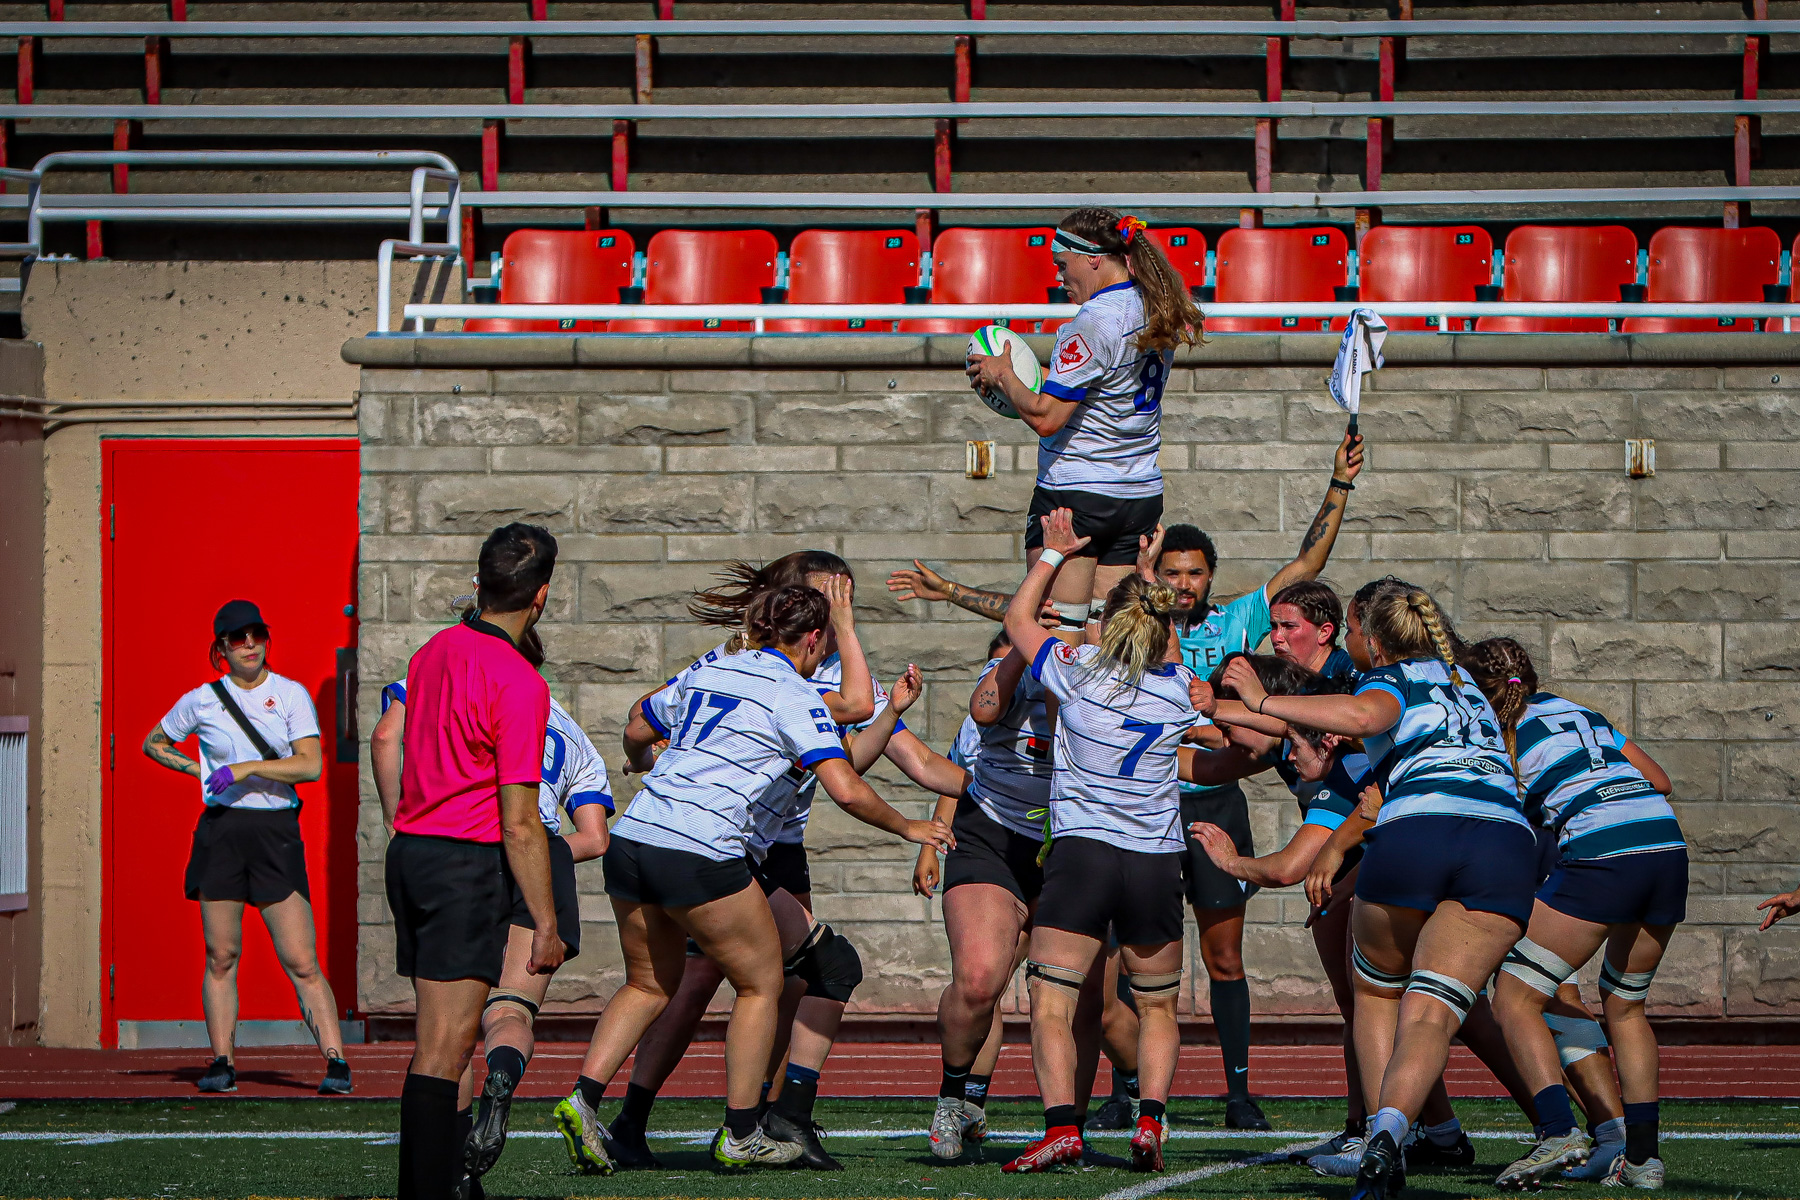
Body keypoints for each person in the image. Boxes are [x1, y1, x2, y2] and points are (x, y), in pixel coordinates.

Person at [886, 429, 1363, 1128]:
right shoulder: (1157, 669)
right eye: (1170, 575)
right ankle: (1129, 1101)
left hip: (1166, 815)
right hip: (1147, 817)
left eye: (1195, 573)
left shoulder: (1184, 638)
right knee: (1117, 984)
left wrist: (1338, 487)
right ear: (1155, 585)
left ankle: (1213, 1097)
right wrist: (1253, 728)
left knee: (1200, 963)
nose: (1184, 585)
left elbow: (1031, 619)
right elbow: (1036, 640)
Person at [559, 583, 954, 1172]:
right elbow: (845, 786)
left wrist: (644, 762)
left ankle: (583, 1101)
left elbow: (641, 722)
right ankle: (742, 1130)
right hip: (703, 847)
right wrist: (908, 827)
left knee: (649, 984)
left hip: (635, 835)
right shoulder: (795, 692)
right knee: (762, 986)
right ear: (814, 638)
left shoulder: (712, 667)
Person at [1224, 579, 1535, 1200]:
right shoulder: (1466, 684)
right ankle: (1556, 1126)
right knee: (1441, 1007)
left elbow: (1366, 718)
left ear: (1364, 633)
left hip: (1419, 834)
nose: (1277, 639)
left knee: (1377, 997)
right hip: (1504, 841)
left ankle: (1378, 1136)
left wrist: (1262, 703)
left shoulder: (1382, 679)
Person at [369, 623, 612, 1191]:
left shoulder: (448, 675)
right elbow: (597, 838)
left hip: (470, 852)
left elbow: (386, 737)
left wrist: (393, 817)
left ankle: (451, 1168)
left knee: (446, 1035)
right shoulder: (568, 728)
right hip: (542, 858)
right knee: (511, 1013)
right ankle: (503, 1075)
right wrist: (544, 860)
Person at [998, 509, 1197, 1175]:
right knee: (1158, 1004)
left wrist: (1053, 555)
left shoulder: (1077, 669)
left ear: (1109, 626)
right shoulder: (1180, 693)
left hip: (1084, 853)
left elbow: (1019, 622)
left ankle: (1062, 1128)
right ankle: (1150, 1120)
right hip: (1153, 858)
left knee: (1051, 999)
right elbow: (1229, 741)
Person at [385, 523, 565, 1200]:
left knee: (436, 1043)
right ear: (541, 596)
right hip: (462, 861)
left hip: (413, 854)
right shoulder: (519, 681)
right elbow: (520, 822)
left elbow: (392, 739)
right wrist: (545, 922)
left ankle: (427, 1189)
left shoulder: (434, 650)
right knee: (448, 1049)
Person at [1473, 638, 1685, 1190]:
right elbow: (1660, 780)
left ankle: (1558, 1130)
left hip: (1603, 853)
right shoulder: (1579, 711)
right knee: (1626, 1007)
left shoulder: (1495, 733)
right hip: (1665, 846)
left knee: (1515, 995)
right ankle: (1641, 1161)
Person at [143, 599, 353, 1097]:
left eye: (257, 634)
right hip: (222, 833)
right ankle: (222, 1061)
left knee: (301, 959)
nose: (250, 645)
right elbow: (155, 742)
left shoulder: (291, 694)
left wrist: (244, 769)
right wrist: (201, 775)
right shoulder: (202, 699)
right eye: (238, 638)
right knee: (221, 954)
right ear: (220, 648)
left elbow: (310, 766)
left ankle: (336, 1062)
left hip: (275, 832)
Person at [964, 208, 1202, 640]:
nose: (1058, 276)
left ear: (1091, 257)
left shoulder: (1092, 320)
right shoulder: (1153, 307)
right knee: (1109, 637)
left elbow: (1045, 416)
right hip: (1138, 495)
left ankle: (1060, 713)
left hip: (1077, 496)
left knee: (1058, 635)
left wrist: (1003, 374)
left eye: (1061, 264)